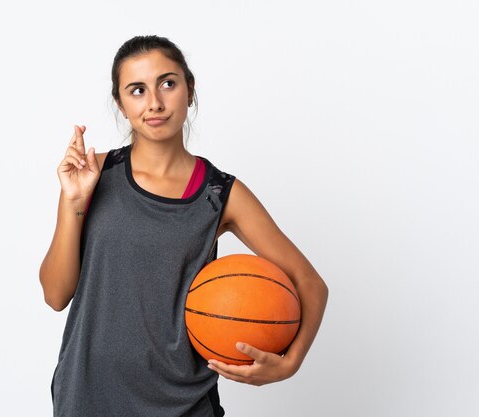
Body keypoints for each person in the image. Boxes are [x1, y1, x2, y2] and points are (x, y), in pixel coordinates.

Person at [39, 35, 328, 417]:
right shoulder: (94, 175)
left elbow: (310, 283)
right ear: (121, 105)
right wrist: (74, 201)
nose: (155, 102)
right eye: (137, 90)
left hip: (183, 405)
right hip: (88, 398)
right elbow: (56, 295)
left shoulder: (220, 193)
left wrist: (290, 364)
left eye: (168, 83)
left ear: (189, 91)